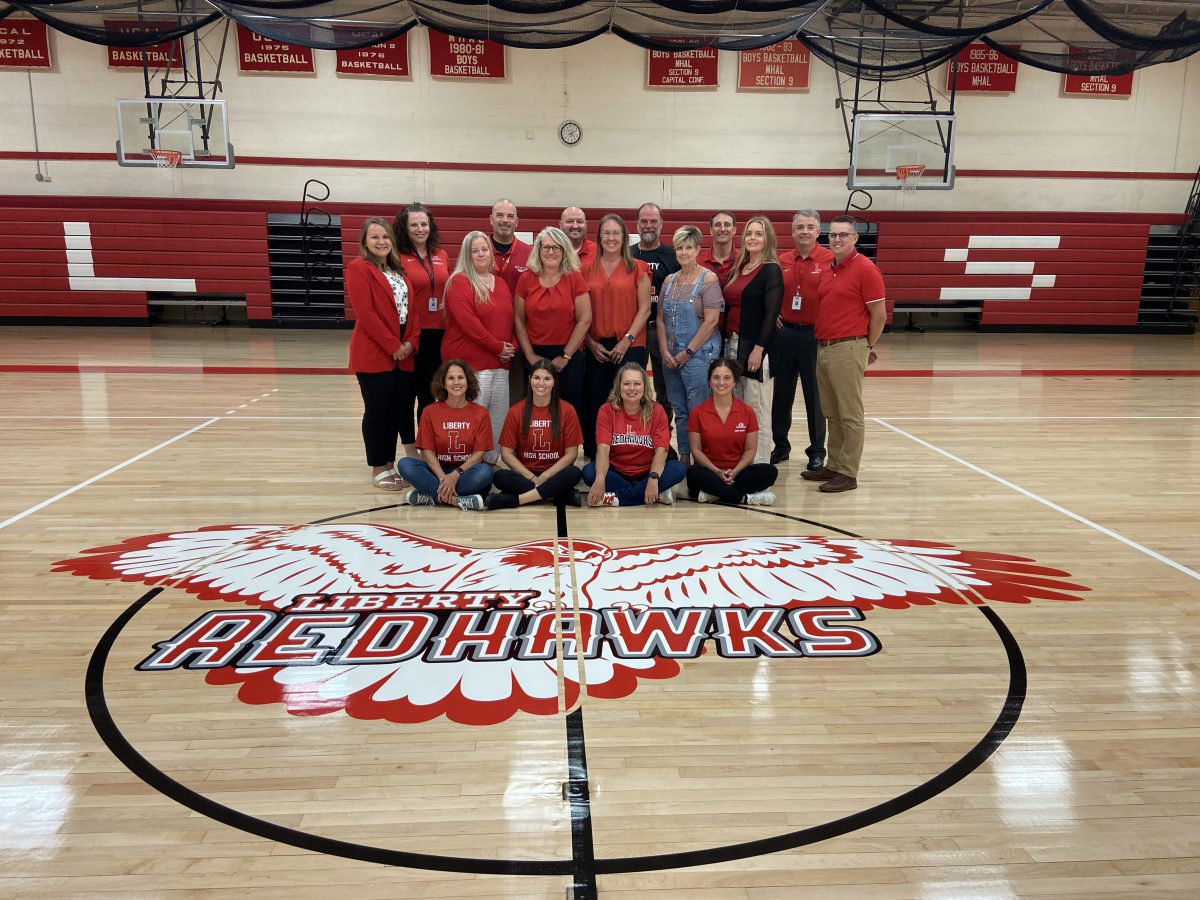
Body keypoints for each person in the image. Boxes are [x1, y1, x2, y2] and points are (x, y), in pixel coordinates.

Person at [802, 215, 887, 494]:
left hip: (848, 346)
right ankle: (835, 464)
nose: (836, 239)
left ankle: (848, 472)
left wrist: (866, 346)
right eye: (833, 235)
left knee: (850, 414)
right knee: (832, 412)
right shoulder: (829, 267)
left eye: (843, 235)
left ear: (855, 239)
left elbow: (879, 315)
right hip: (824, 347)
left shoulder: (866, 269)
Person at [346, 217, 422, 492]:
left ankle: (391, 462)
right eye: (375, 237)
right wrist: (394, 346)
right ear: (365, 242)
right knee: (377, 412)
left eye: (385, 237)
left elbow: (413, 312)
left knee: (398, 411)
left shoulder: (399, 272)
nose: (381, 242)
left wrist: (412, 342)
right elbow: (367, 314)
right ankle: (380, 466)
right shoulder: (359, 268)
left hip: (404, 354)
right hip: (375, 353)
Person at [442, 231, 517, 463]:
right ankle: (466, 468)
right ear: (467, 255)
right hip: (472, 364)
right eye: (475, 251)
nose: (481, 254)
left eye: (484, 249)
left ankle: (489, 467)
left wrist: (512, 346)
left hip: (500, 364)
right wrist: (498, 347)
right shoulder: (459, 281)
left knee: (497, 420)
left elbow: (511, 319)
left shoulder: (501, 283)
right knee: (473, 421)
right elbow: (469, 325)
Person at [581, 214, 651, 457]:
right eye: (606, 233)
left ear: (624, 237)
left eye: (616, 233)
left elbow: (645, 309)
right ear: (599, 236)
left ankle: (630, 453)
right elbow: (577, 312)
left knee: (629, 402)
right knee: (596, 403)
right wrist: (589, 342)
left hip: (631, 345)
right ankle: (595, 453)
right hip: (595, 347)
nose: (611, 238)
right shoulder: (585, 269)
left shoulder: (637, 268)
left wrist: (626, 340)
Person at [772, 209, 834, 471]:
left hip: (814, 335)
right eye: (800, 227)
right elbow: (770, 292)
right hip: (784, 334)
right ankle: (781, 446)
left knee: (815, 397)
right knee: (781, 395)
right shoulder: (781, 260)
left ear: (818, 231)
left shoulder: (831, 260)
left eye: (810, 227)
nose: (805, 231)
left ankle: (817, 451)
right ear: (793, 231)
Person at [658, 225, 723, 466]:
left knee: (698, 411)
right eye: (679, 248)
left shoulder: (708, 278)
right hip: (671, 357)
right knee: (679, 409)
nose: (683, 252)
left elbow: (712, 321)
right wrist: (664, 350)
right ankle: (684, 457)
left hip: (698, 356)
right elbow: (661, 319)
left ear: (697, 249)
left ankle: (702, 461)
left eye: (688, 247)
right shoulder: (669, 280)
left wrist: (688, 352)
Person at [720, 216, 783, 465]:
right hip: (731, 346)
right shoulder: (740, 267)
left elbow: (771, 314)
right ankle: (738, 461)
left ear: (768, 239)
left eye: (759, 234)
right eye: (749, 233)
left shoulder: (771, 269)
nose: (753, 238)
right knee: (736, 408)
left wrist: (759, 350)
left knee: (756, 410)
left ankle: (759, 465)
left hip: (756, 349)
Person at [513, 226, 592, 420]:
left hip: (569, 355)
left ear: (564, 250)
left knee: (569, 410)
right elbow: (518, 319)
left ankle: (570, 451)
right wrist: (531, 355)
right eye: (546, 247)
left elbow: (585, 319)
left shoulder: (574, 278)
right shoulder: (526, 279)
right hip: (534, 354)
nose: (551, 252)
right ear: (538, 250)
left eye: (556, 247)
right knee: (536, 411)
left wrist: (566, 356)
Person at [582, 363, 685, 507]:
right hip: (617, 471)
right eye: (626, 384)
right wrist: (599, 480)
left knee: (678, 469)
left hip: (648, 471)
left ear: (644, 387)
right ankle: (652, 493)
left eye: (637, 384)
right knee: (589, 472)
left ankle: (615, 498)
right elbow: (603, 449)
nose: (631, 388)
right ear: (619, 386)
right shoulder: (607, 410)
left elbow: (661, 451)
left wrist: (653, 478)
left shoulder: (657, 410)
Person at [397, 360, 494, 510]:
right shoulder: (430, 411)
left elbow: (479, 455)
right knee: (405, 464)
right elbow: (427, 452)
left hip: (465, 472)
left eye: (460, 378)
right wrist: (443, 478)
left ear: (468, 381)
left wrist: (455, 475)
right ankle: (457, 500)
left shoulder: (480, 413)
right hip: (436, 471)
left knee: (485, 472)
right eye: (451, 378)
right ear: (443, 382)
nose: (456, 382)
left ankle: (431, 496)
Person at [488, 360, 584, 509]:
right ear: (529, 379)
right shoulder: (516, 411)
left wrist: (545, 477)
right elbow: (506, 455)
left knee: (574, 473)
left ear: (554, 382)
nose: (541, 383)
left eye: (547, 378)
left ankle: (515, 500)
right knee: (499, 476)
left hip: (555, 472)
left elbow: (571, 455)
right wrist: (533, 478)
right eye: (537, 377)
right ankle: (559, 494)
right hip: (525, 473)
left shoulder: (567, 410)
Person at [686, 358, 778, 505]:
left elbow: (750, 450)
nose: (721, 382)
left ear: (735, 382)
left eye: (727, 378)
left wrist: (734, 471)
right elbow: (696, 450)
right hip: (710, 472)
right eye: (716, 377)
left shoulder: (747, 411)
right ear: (709, 381)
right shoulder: (697, 412)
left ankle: (715, 494)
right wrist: (718, 472)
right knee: (693, 473)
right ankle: (744, 498)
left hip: (738, 473)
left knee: (770, 472)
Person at [393, 203, 450, 419]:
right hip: (410, 333)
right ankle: (409, 445)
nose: (420, 229)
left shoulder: (441, 254)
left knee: (430, 394)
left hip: (439, 333)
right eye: (414, 225)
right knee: (406, 395)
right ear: (404, 228)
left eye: (424, 224)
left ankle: (425, 447)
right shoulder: (396, 256)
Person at [630, 202, 680, 428]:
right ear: (637, 224)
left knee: (665, 388)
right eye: (644, 221)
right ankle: (635, 430)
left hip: (663, 331)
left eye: (653, 221)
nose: (648, 225)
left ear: (661, 224)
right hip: (634, 331)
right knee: (632, 383)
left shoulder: (673, 256)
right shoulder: (627, 254)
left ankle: (663, 433)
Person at [488, 198, 532, 296]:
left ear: (516, 222)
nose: (505, 220)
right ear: (491, 219)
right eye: (500, 215)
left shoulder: (530, 253)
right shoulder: (477, 251)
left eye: (510, 216)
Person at [698, 210, 737, 285]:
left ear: (734, 230)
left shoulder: (744, 260)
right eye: (717, 225)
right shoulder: (698, 262)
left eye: (727, 224)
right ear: (711, 231)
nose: (722, 229)